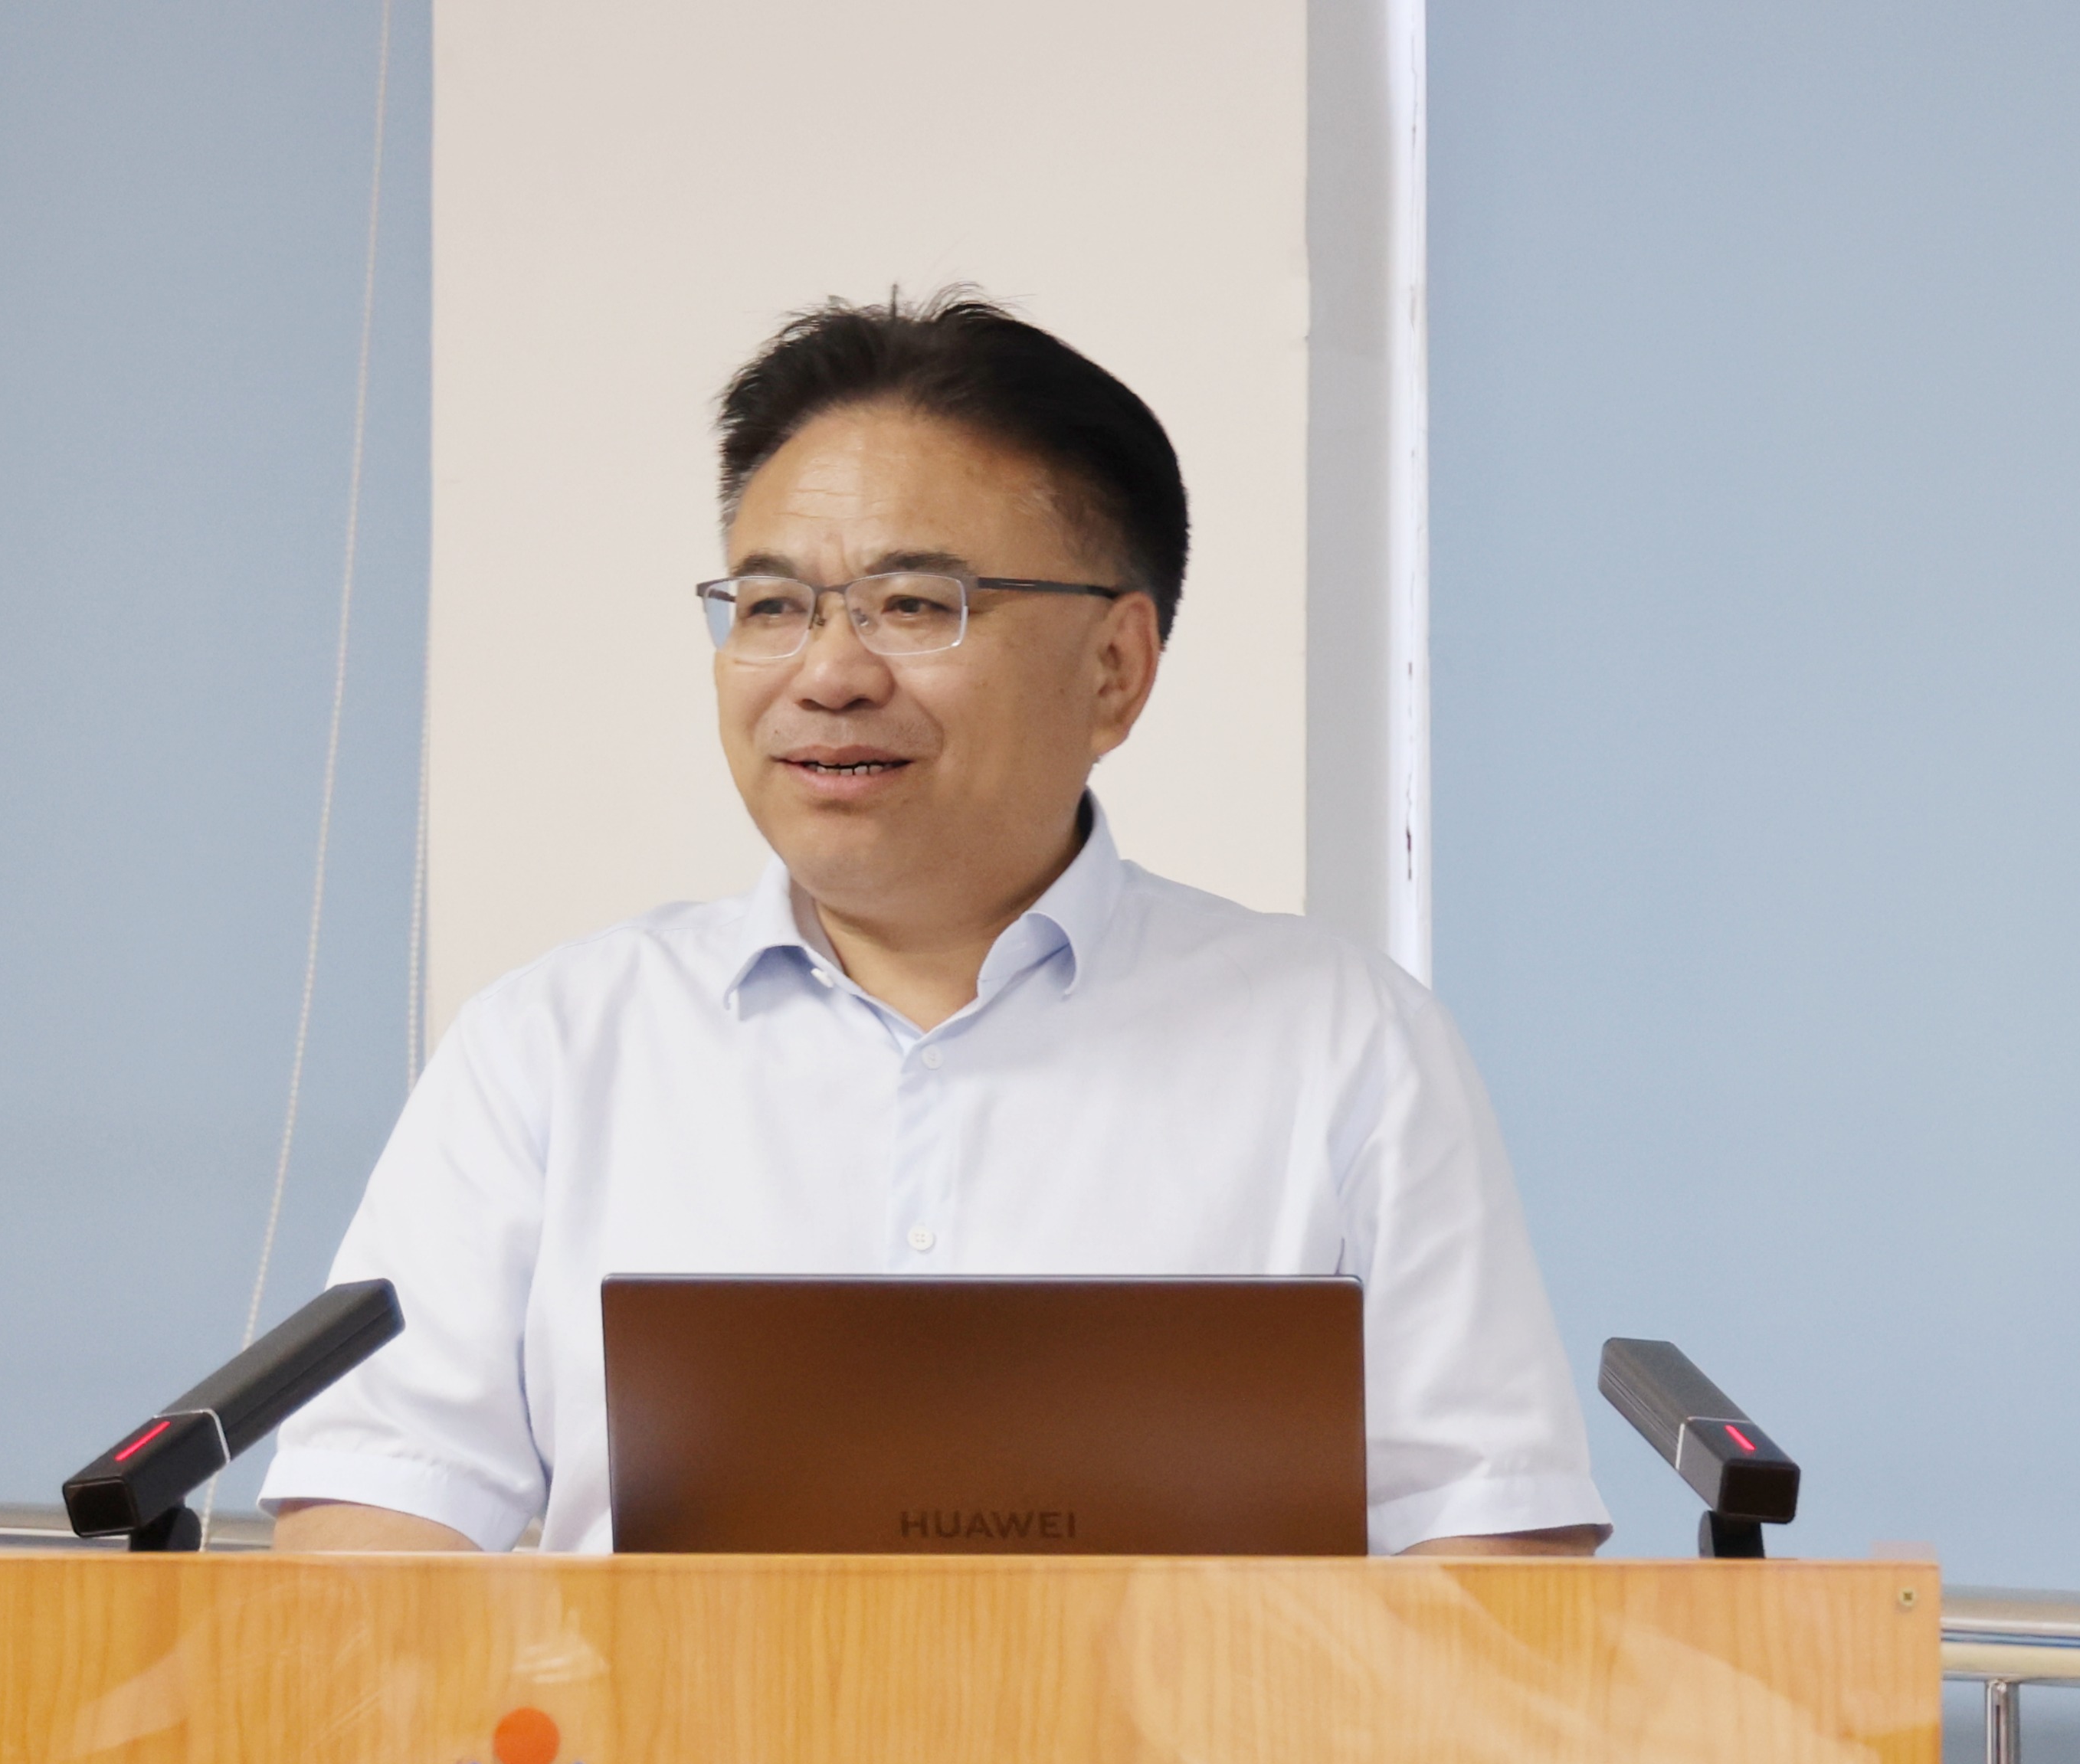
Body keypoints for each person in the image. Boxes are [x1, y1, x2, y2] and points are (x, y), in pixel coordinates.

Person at [265, 293, 1607, 1556]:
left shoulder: (1339, 1044)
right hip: (653, 1746)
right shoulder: (551, 1048)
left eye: (913, 605)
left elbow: (1489, 1555)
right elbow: (373, 1538)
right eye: (772, 606)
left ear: (1114, 668)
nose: (827, 673)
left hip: (1190, 1746)